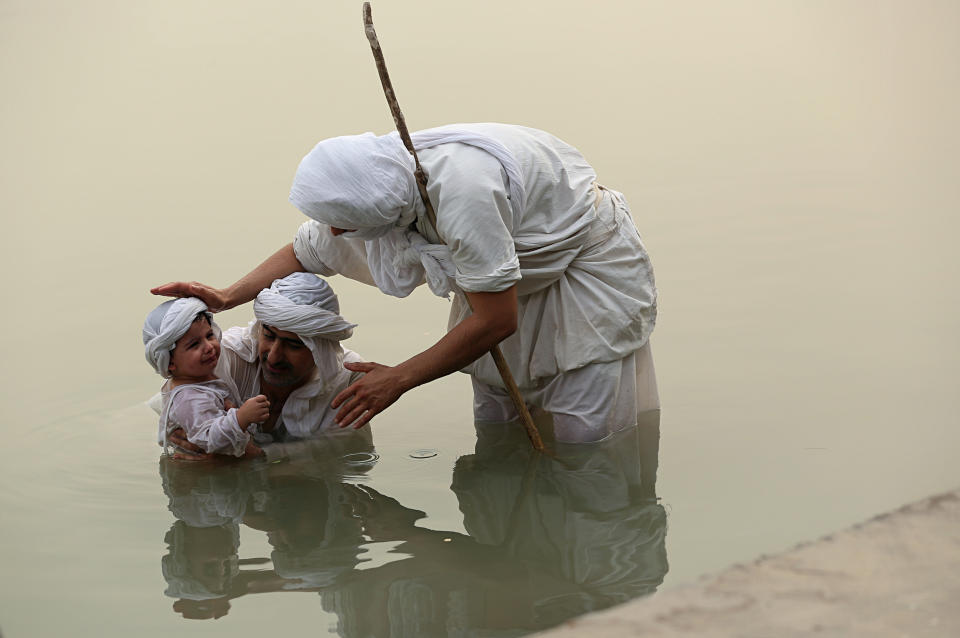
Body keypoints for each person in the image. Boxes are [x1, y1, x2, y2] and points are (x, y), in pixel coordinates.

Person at [154, 123, 658, 443]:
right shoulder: (381, 183)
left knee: (581, 426)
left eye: (342, 222)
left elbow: (498, 318)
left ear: (376, 210)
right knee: (496, 410)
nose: (335, 232)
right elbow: (305, 250)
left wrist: (400, 379)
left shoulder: (462, 195)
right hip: (499, 281)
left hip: (578, 269)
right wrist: (225, 296)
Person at [165, 272, 366, 458]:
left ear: (320, 350)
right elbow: (173, 415)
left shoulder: (348, 378)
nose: (274, 357)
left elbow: (353, 451)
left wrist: (254, 459)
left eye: (293, 345)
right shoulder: (223, 357)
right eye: (269, 336)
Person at [143, 297, 270, 457]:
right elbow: (208, 438)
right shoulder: (189, 397)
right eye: (194, 344)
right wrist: (241, 417)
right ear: (169, 363)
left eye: (209, 335)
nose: (209, 347)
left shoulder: (199, 380)